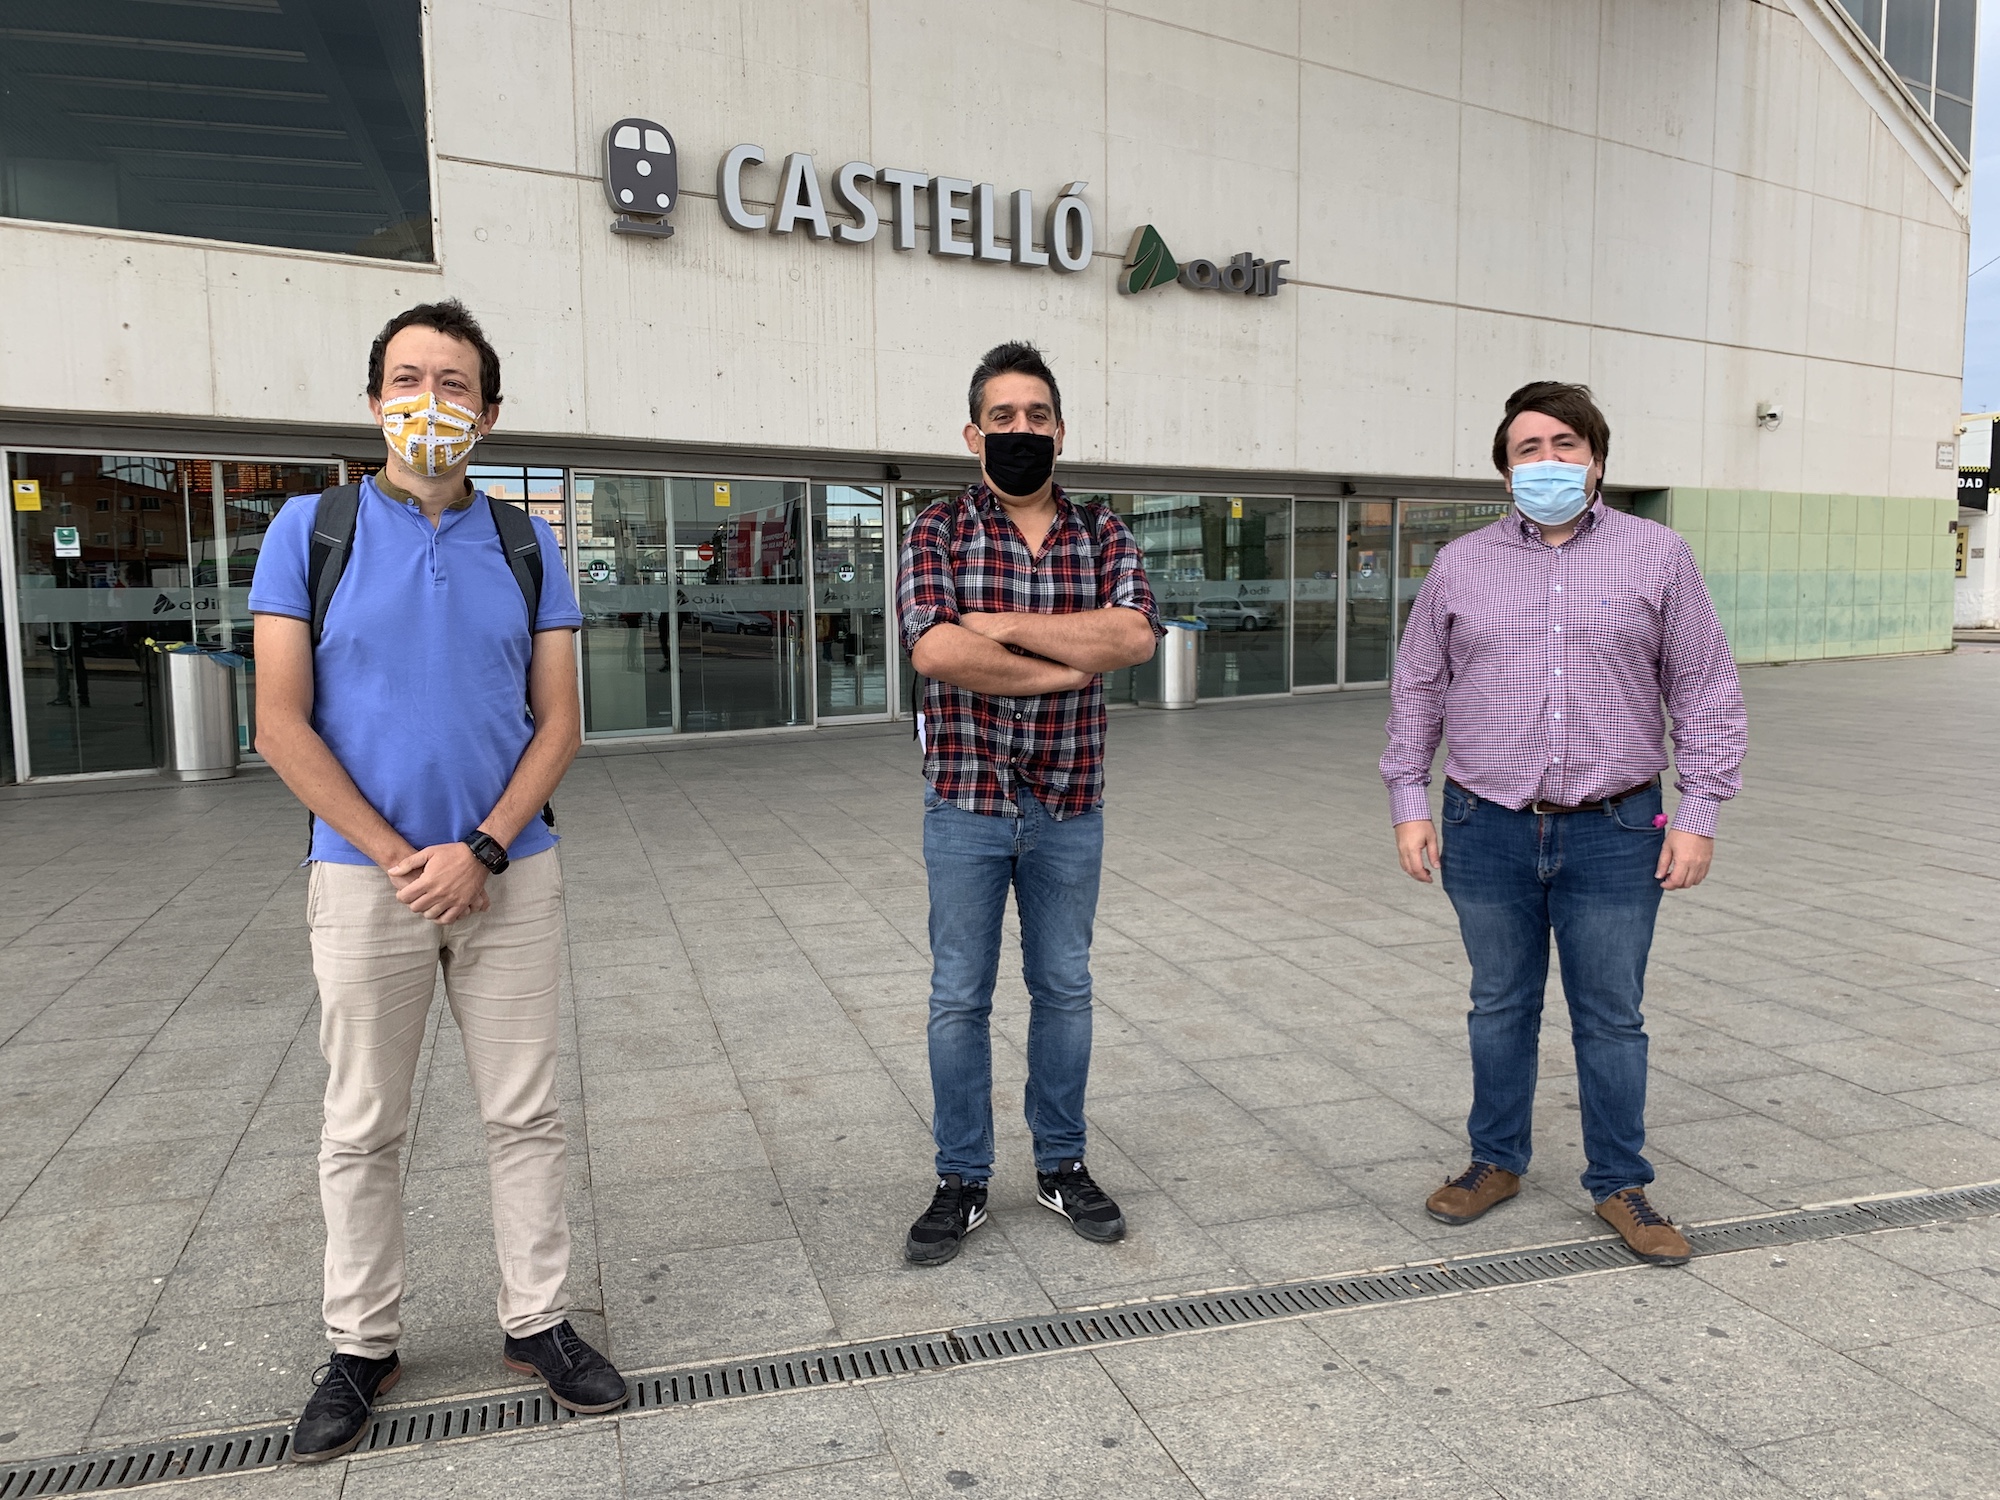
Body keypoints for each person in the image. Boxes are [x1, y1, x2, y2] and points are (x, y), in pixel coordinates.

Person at [249, 300, 625, 1462]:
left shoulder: (524, 542)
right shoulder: (310, 531)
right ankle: (360, 1343)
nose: (429, 401)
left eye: (453, 384)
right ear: (373, 401)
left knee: (525, 1113)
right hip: (367, 882)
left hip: (510, 872)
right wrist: (397, 853)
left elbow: (558, 722)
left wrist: (484, 849)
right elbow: (279, 721)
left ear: (489, 413)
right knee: (363, 1123)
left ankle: (538, 1321)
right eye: (408, 378)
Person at [1380, 381, 1747, 1265]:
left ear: (1597, 459)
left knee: (1611, 1015)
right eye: (1528, 448)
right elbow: (1419, 685)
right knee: (1499, 1004)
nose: (1547, 461)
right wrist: (1408, 801)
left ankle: (1620, 1181)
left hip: (1616, 829)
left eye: (1565, 444)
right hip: (1486, 824)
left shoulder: (1659, 556)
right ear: (1505, 471)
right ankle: (1495, 1161)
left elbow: (1704, 687)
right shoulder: (1461, 564)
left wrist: (1698, 811)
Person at [896, 341, 1161, 1266]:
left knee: (1065, 990)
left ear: (1060, 430)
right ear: (974, 434)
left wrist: (1003, 629)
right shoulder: (937, 528)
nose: (1021, 430)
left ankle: (1061, 1164)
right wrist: (1065, 666)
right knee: (957, 998)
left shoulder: (1103, 532)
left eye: (1036, 416)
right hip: (966, 800)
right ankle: (961, 1177)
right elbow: (935, 650)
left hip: (1069, 803)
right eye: (1002, 417)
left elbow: (1133, 637)